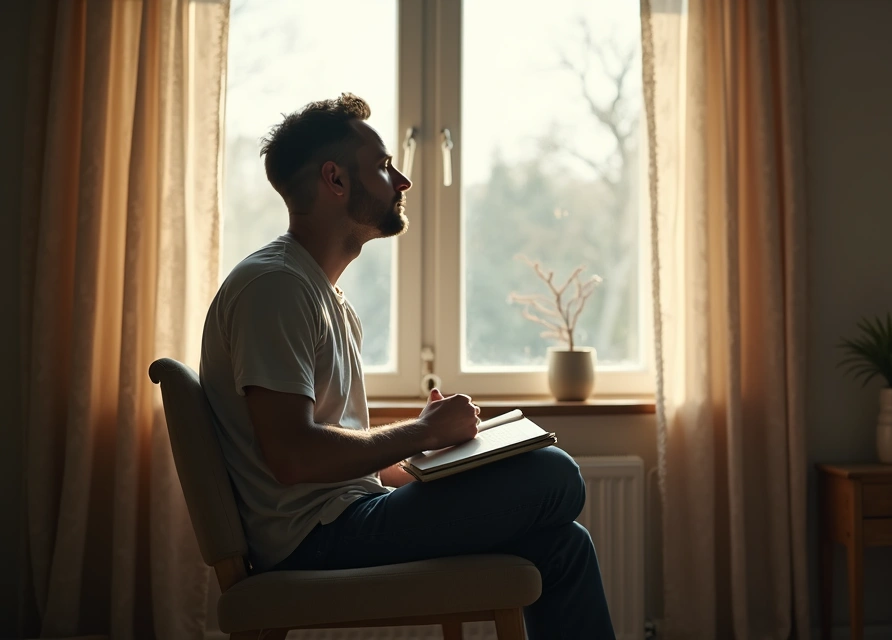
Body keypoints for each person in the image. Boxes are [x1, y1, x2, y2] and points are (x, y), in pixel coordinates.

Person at [199, 93, 615, 639]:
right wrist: (422, 431)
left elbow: (331, 457)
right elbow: (292, 457)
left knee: (564, 545)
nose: (403, 181)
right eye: (383, 165)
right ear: (335, 180)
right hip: (314, 541)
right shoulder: (275, 287)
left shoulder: (320, 293)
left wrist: (432, 456)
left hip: (344, 517)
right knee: (554, 475)